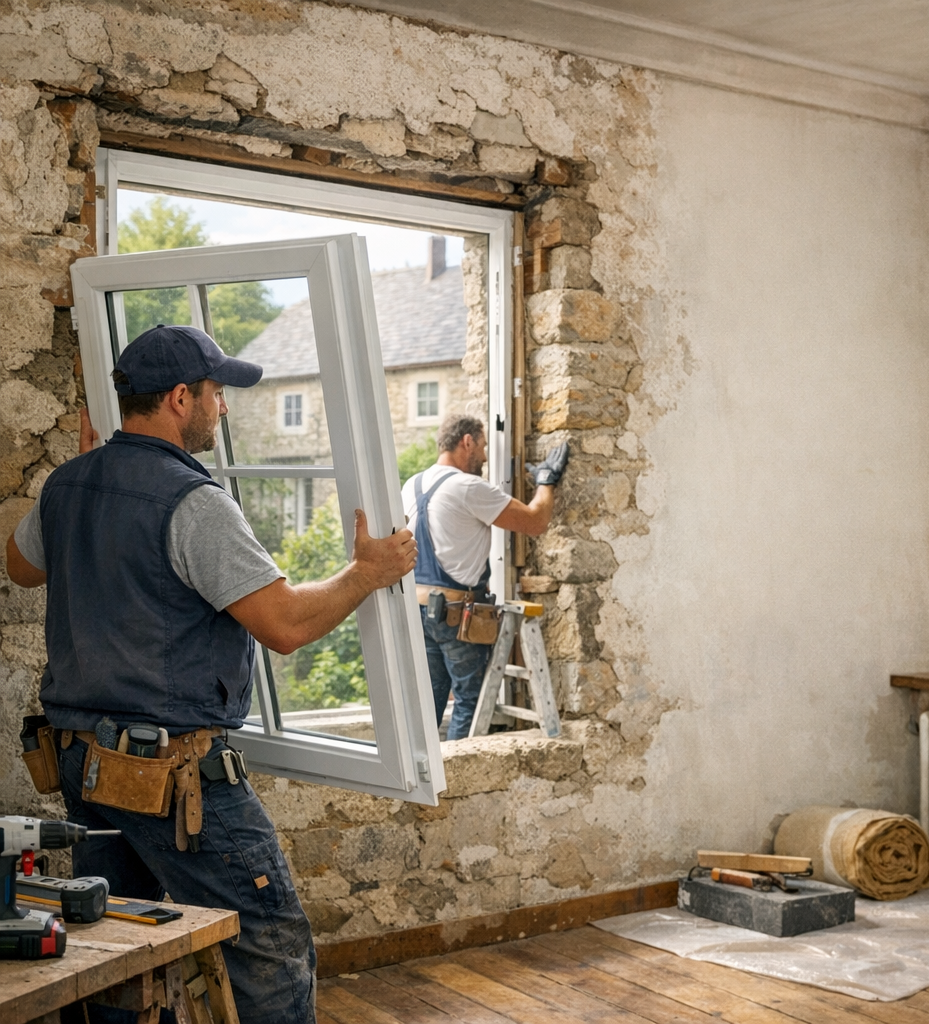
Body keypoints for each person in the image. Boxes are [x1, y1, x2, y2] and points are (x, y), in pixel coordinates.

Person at [5, 325, 416, 1024]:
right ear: (179, 398)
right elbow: (284, 625)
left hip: (83, 764)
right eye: (216, 393)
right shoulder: (193, 502)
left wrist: (87, 498)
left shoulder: (68, 484)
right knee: (266, 944)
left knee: (116, 945)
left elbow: (20, 568)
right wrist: (364, 573)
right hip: (167, 774)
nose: (222, 408)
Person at [402, 414, 569, 740]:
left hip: (417, 611)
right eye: (482, 446)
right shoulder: (467, 487)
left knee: (429, 702)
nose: (484, 457)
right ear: (467, 442)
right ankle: (457, 769)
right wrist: (546, 481)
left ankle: (421, 771)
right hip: (456, 617)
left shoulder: (412, 485)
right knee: (471, 702)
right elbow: (535, 521)